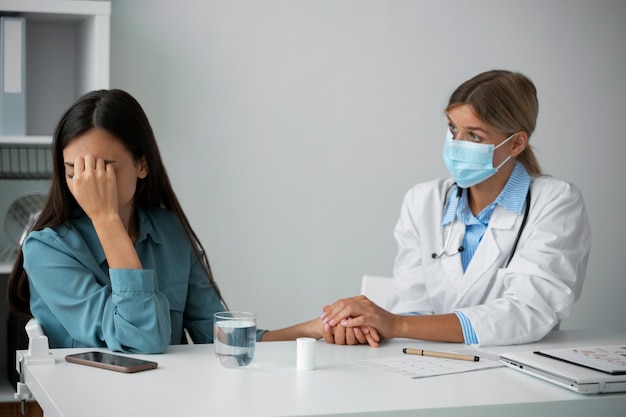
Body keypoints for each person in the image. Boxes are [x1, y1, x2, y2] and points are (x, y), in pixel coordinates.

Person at [7, 89, 321, 353]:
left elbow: (218, 336)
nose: (87, 185)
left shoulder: (167, 230)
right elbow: (140, 340)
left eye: (102, 170)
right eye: (74, 171)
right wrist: (106, 219)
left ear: (142, 164)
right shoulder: (47, 250)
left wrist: (317, 328)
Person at [320, 69, 591, 347]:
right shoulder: (423, 200)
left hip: (514, 368)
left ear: (516, 143)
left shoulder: (556, 201)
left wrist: (397, 324)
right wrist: (375, 325)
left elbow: (529, 311)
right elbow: (412, 303)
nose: (456, 144)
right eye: (453, 128)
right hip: (426, 362)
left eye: (474, 136)